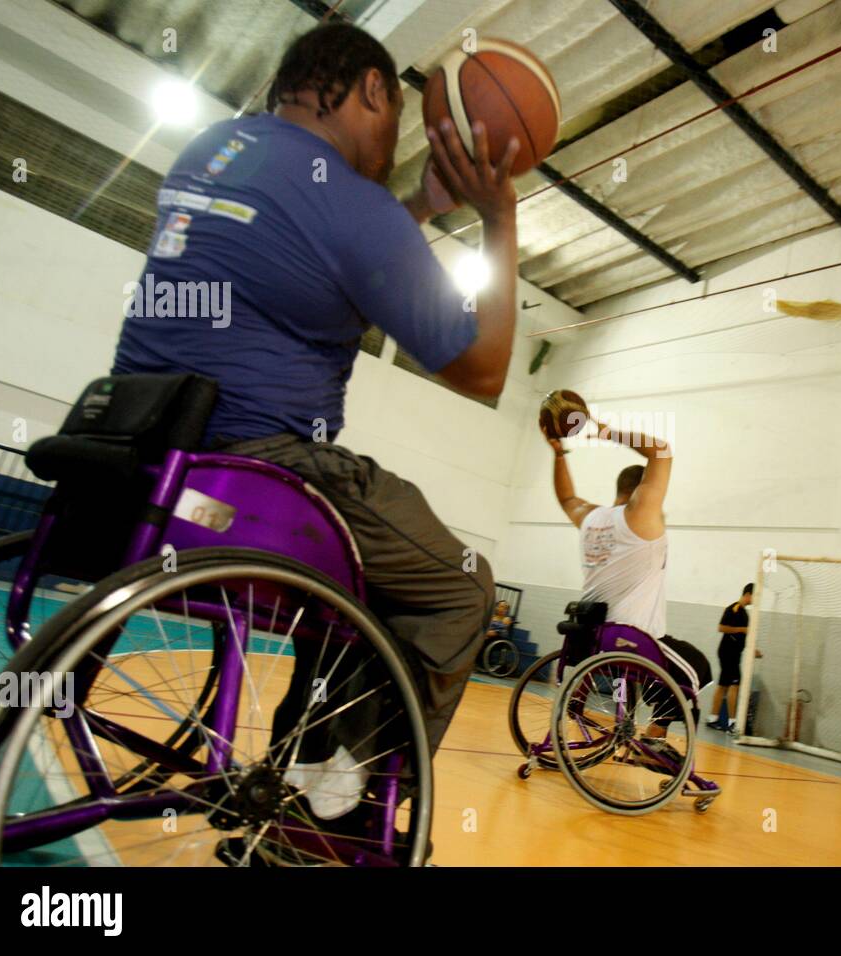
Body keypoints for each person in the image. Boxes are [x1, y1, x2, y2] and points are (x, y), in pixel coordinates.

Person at [109, 24, 521, 831]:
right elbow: (484, 371)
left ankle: (308, 763)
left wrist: (415, 212)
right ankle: (349, 798)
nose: (391, 141)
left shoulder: (213, 149)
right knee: (461, 585)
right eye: (394, 116)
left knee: (358, 588)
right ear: (370, 89)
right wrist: (498, 221)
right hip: (256, 478)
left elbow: (314, 247)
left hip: (141, 458)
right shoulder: (354, 205)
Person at [543, 416, 711, 767]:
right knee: (698, 668)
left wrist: (560, 454)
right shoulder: (639, 515)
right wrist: (603, 432)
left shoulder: (590, 518)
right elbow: (661, 451)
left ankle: (626, 729)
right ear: (642, 491)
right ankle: (655, 741)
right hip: (631, 637)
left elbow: (567, 497)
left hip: (590, 636)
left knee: (668, 661)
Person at [708, 583, 759, 732]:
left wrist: (753, 650)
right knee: (734, 685)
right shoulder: (734, 608)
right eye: (755, 596)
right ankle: (732, 723)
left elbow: (745, 637)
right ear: (748, 594)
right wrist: (741, 629)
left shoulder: (745, 613)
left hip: (734, 653)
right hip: (728, 652)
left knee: (723, 685)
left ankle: (713, 718)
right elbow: (721, 627)